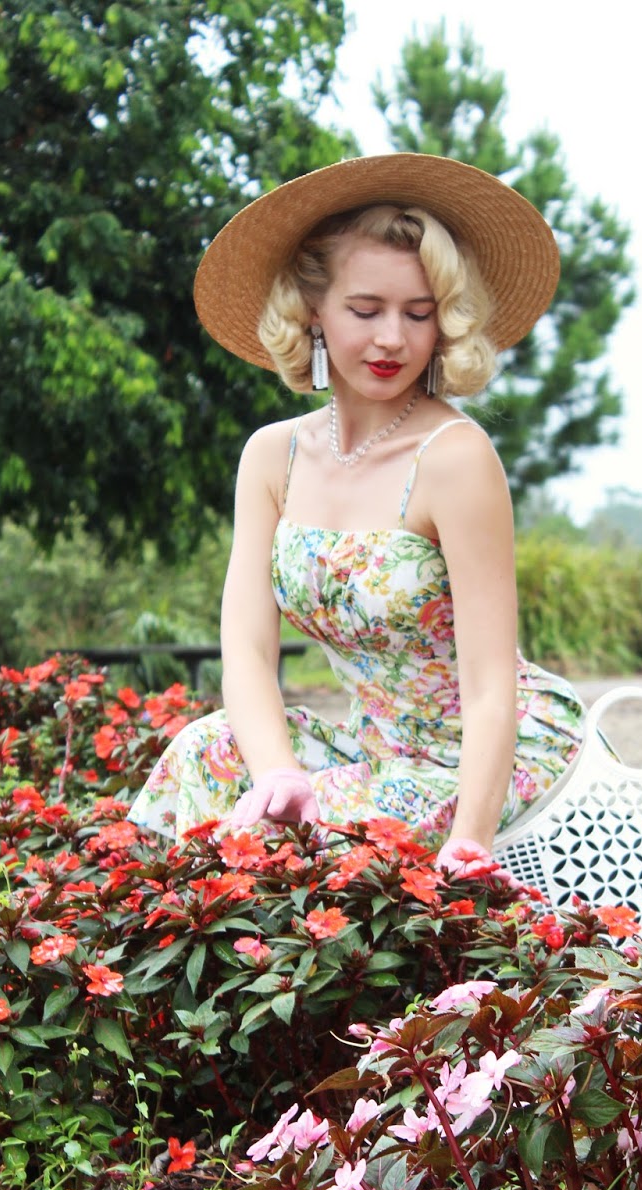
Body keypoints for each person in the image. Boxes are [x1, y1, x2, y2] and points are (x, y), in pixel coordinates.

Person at [128, 153, 586, 870]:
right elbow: (247, 650)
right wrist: (279, 772)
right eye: (365, 310)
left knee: (330, 822)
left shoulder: (454, 457)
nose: (392, 340)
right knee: (207, 753)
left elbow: (492, 683)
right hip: (380, 750)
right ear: (312, 312)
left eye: (419, 315)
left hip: (496, 750)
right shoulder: (271, 457)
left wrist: (473, 837)